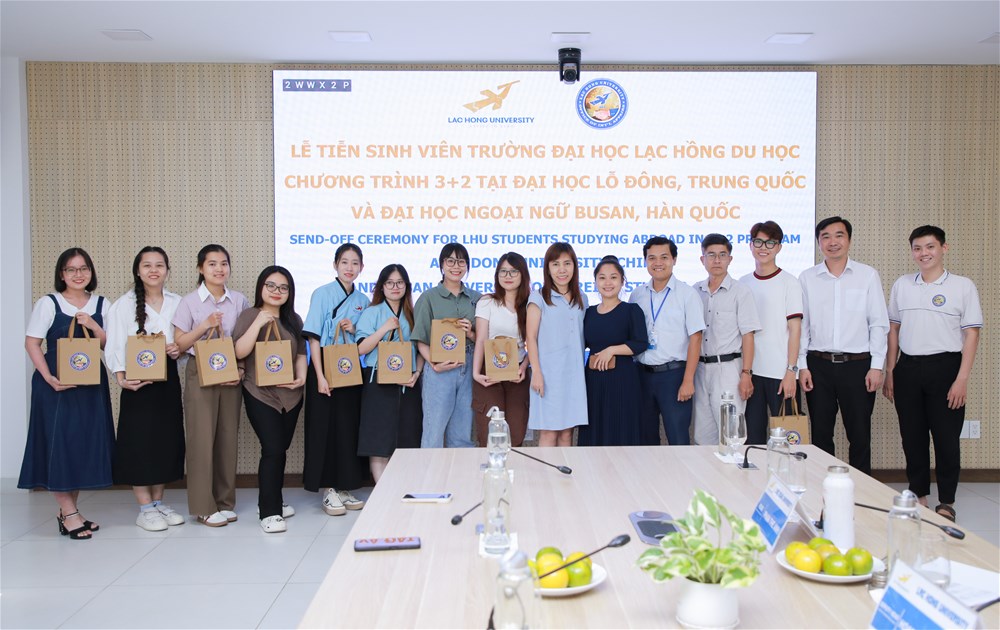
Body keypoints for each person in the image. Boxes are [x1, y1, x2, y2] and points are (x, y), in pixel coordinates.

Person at [883, 226, 982, 522]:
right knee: (912, 436)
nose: (923, 253)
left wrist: (961, 379)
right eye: (917, 248)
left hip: (946, 368)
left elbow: (972, 334)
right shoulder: (902, 284)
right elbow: (893, 330)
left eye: (930, 247)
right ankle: (919, 495)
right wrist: (890, 370)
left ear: (943, 248)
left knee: (946, 438)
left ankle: (947, 501)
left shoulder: (962, 286)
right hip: (908, 368)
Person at [19, 247, 114, 540]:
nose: (78, 274)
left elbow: (109, 345)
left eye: (83, 268)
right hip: (56, 384)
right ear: (62, 274)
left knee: (79, 445)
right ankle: (70, 513)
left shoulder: (102, 303)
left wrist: (93, 325)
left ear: (91, 272)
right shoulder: (48, 303)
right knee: (58, 444)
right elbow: (32, 343)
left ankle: (70, 512)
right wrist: (48, 377)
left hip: (90, 385)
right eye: (71, 269)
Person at [799, 217, 889, 474]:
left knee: (859, 433)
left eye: (839, 235)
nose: (832, 242)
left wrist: (877, 366)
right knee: (821, 433)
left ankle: (860, 488)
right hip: (818, 364)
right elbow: (803, 326)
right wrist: (802, 366)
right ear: (818, 242)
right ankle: (824, 485)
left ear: (849, 239)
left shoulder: (867, 275)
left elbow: (878, 323)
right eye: (825, 236)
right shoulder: (807, 278)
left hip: (858, 365)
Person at [106, 247, 185, 532]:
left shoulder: (177, 302)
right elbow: (114, 343)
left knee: (165, 440)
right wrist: (121, 377)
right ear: (137, 271)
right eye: (147, 265)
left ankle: (158, 502)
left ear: (167, 270)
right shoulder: (123, 305)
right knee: (138, 442)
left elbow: (184, 341)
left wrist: (179, 349)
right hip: (137, 381)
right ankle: (144, 508)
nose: (154, 270)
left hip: (168, 378)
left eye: (159, 265)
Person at [173, 244, 249, 527]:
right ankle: (203, 506)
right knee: (201, 439)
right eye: (212, 264)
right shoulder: (190, 302)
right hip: (200, 371)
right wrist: (204, 325)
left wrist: (241, 369)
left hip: (230, 371)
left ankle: (225, 502)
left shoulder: (239, 300)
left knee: (227, 438)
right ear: (200, 268)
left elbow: (244, 340)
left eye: (224, 263)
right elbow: (180, 343)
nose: (219, 269)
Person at [234, 266, 307, 533]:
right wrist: (259, 323)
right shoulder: (249, 315)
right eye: (271, 286)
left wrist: (301, 378)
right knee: (273, 448)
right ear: (261, 288)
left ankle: (273, 498)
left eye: (283, 287)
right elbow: (239, 351)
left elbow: (301, 353)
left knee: (280, 449)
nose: (277, 291)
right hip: (260, 393)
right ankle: (269, 511)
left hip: (291, 395)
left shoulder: (294, 319)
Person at [301, 243, 370, 516]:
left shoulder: (363, 300)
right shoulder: (322, 294)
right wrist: (319, 376)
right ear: (335, 265)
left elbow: (364, 339)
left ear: (361, 268)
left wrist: (354, 328)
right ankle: (328, 489)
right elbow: (313, 337)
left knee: (347, 427)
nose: (349, 268)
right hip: (325, 368)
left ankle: (344, 486)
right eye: (344, 262)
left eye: (355, 263)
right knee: (325, 428)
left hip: (350, 370)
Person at [629, 237, 705, 445]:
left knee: (678, 438)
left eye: (664, 257)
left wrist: (688, 380)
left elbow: (696, 338)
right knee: (646, 439)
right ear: (645, 261)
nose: (658, 263)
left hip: (674, 376)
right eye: (652, 258)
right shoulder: (637, 295)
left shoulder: (687, 294)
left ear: (674, 260)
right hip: (642, 376)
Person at [739, 221, 804, 445]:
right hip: (752, 374)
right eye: (758, 242)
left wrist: (791, 371)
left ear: (779, 247)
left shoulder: (790, 283)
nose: (763, 247)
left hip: (781, 375)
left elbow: (795, 330)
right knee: (752, 439)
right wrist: (745, 373)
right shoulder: (743, 283)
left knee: (787, 441)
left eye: (770, 243)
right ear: (750, 245)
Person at [356, 264, 423, 482]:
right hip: (378, 382)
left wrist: (417, 373)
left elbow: (421, 348)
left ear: (407, 286)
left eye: (400, 282)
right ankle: (383, 492)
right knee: (379, 441)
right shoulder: (371, 312)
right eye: (390, 283)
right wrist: (384, 328)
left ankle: (402, 489)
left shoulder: (413, 314)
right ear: (382, 286)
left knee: (408, 437)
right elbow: (361, 349)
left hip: (408, 383)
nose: (395, 287)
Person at [693, 234, 761, 446]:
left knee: (731, 435)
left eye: (722, 255)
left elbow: (748, 335)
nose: (717, 260)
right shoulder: (695, 291)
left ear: (730, 259)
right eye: (711, 255)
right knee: (702, 435)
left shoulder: (741, 292)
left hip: (729, 370)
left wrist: (746, 374)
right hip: (700, 370)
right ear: (702, 259)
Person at [412, 243, 481, 448]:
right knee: (433, 432)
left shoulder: (476, 298)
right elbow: (420, 338)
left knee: (462, 433)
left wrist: (470, 333)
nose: (456, 266)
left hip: (469, 364)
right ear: (442, 265)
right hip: (440, 369)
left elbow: (484, 339)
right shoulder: (428, 297)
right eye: (450, 261)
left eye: (461, 261)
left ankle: (459, 470)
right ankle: (430, 471)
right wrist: (434, 364)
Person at [578, 256, 647, 446]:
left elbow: (640, 343)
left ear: (623, 281)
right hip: (593, 381)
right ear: (595, 282)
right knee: (595, 431)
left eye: (613, 277)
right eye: (602, 278)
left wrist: (612, 350)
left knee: (620, 429)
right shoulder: (589, 313)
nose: (608, 283)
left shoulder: (631, 310)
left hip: (622, 382)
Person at [526, 242, 588, 446]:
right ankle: (545, 471)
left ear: (574, 266)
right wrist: (536, 372)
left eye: (567, 263)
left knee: (567, 434)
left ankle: (564, 469)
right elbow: (531, 338)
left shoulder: (582, 298)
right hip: (547, 376)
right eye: (555, 264)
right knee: (548, 433)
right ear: (548, 268)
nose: (562, 270)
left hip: (574, 376)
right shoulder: (538, 297)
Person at [471, 252, 531, 447]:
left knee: (516, 434)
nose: (507, 276)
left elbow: (534, 342)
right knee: (490, 434)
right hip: (489, 373)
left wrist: (524, 367)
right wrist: (476, 373)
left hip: (517, 374)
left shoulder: (531, 304)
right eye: (503, 271)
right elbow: (481, 339)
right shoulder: (487, 302)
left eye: (513, 271)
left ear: (523, 274)